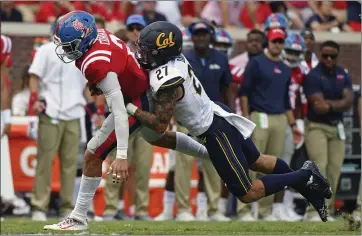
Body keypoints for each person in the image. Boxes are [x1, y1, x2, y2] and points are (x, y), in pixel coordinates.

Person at [126, 21, 332, 223]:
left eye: (148, 50)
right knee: (258, 160)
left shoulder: (167, 78)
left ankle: (305, 175)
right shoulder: (175, 59)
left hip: (215, 131)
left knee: (247, 193)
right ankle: (309, 188)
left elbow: (160, 125)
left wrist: (129, 107)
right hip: (218, 112)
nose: (142, 54)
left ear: (163, 52)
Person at [44, 11, 212, 231]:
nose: (65, 50)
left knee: (93, 154)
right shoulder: (99, 36)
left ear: (84, 39)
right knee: (159, 139)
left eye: (69, 44)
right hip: (140, 90)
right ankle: (212, 154)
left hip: (136, 100)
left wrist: (121, 155)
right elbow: (120, 62)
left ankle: (78, 218)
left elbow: (120, 111)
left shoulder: (95, 61)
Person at [303, 40, 354, 221]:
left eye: (332, 56)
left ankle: (327, 211)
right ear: (321, 54)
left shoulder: (343, 74)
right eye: (325, 55)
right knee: (319, 167)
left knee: (334, 170)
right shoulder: (314, 75)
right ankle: (313, 212)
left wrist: (331, 105)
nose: (329, 59)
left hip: (336, 127)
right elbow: (318, 106)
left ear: (337, 55)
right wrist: (339, 104)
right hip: (317, 126)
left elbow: (349, 102)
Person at [279, 32, 310, 221]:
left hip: (294, 121)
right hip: (278, 116)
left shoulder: (302, 70)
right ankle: (271, 206)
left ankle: (286, 204)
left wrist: (300, 121)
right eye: (289, 51)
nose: (291, 56)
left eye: (295, 52)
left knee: (290, 164)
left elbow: (301, 98)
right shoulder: (277, 66)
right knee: (277, 163)